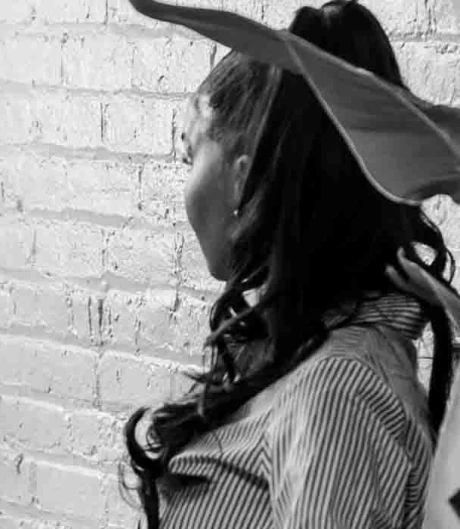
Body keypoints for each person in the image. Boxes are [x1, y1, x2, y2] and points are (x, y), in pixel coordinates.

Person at [123, 2, 456, 527]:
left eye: (190, 154)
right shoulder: (312, 361)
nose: (185, 182)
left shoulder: (338, 394)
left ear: (241, 176)